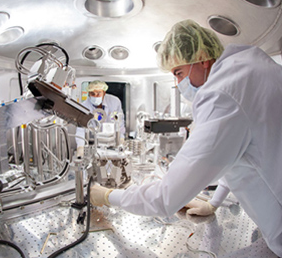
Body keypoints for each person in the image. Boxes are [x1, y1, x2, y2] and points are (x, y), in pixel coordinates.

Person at [90, 19, 282, 256]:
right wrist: (214, 202)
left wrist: (108, 196)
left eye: (178, 73)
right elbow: (239, 153)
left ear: (202, 58)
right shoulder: (248, 65)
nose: (178, 83)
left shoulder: (221, 95)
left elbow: (165, 198)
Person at [75, 80, 125, 156]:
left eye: (98, 93)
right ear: (88, 94)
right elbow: (81, 130)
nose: (95, 96)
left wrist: (121, 140)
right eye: (92, 94)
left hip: (112, 144)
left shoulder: (114, 102)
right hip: (93, 145)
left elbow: (119, 124)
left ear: (104, 93)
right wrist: (81, 148)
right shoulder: (84, 107)